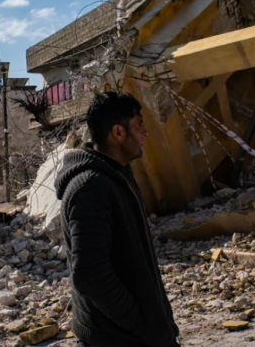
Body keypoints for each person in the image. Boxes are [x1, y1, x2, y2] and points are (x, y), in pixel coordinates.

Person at [56, 92, 180, 347]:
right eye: (139, 125)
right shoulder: (89, 188)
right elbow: (90, 274)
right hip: (118, 339)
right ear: (118, 133)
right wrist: (137, 323)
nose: (145, 132)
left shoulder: (116, 177)